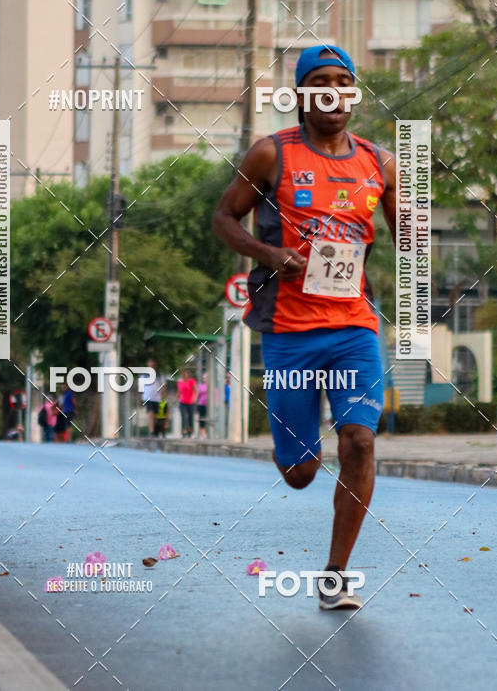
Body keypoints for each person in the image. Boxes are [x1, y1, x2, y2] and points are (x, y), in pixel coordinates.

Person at [213, 44, 396, 610]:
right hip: (290, 332)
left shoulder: (379, 162)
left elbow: (408, 236)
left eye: (342, 81)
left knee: (360, 442)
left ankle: (335, 575)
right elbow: (223, 217)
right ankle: (299, 450)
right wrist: (268, 255)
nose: (332, 92)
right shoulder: (271, 155)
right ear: (300, 96)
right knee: (299, 472)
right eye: (319, 82)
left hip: (354, 326)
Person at [140, 359, 166, 437]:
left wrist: (163, 395)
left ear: (155, 366)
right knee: (150, 414)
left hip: (157, 398)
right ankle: (151, 431)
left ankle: (154, 430)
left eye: (153, 365)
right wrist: (140, 397)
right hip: (147, 398)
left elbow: (164, 386)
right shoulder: (144, 375)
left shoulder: (159, 375)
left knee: (155, 415)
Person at [177, 369, 197, 438]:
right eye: (183, 374)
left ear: (188, 375)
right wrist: (176, 399)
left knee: (190, 418)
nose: (185, 375)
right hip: (182, 402)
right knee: (184, 417)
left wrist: (194, 399)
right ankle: (184, 431)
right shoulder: (180, 382)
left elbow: (196, 391)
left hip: (190, 403)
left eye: (186, 374)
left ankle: (190, 431)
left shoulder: (192, 381)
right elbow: (179, 392)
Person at [196, 372, 208, 438]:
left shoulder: (211, 386)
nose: (205, 379)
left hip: (208, 405)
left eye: (206, 377)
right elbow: (198, 395)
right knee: (202, 419)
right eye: (204, 378)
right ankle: (203, 433)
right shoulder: (201, 386)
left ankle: (207, 432)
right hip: (201, 404)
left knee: (207, 418)